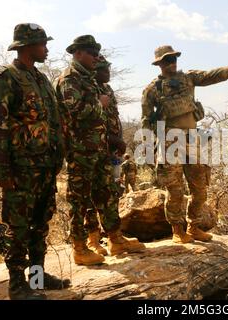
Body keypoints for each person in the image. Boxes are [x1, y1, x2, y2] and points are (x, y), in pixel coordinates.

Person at [141, 45, 228, 244]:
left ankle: (194, 227)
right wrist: (148, 151)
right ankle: (178, 231)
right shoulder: (151, 90)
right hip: (170, 142)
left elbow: (213, 75)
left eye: (173, 58)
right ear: (159, 64)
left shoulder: (188, 78)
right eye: (166, 60)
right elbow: (145, 121)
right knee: (175, 191)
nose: (171, 62)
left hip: (192, 140)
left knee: (200, 188)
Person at [0, 23, 70, 300]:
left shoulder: (42, 79)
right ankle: (17, 285)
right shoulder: (6, 78)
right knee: (19, 227)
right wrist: (2, 169)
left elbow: (54, 121)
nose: (46, 49)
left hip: (45, 167)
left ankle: (36, 279)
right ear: (26, 46)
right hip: (20, 169)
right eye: (42, 44)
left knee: (40, 225)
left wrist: (59, 155)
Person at [54, 36, 145, 265]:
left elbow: (102, 117)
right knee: (79, 200)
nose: (96, 57)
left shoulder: (90, 80)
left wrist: (112, 139)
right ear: (77, 53)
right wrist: (99, 104)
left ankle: (115, 239)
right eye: (92, 53)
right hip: (80, 151)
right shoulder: (69, 79)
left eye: (97, 53)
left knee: (107, 194)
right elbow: (74, 111)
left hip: (100, 150)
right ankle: (80, 248)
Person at [83, 55, 127, 256]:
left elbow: (113, 118)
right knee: (91, 196)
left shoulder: (108, 89)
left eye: (108, 67)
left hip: (111, 150)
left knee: (112, 192)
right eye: (103, 68)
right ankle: (93, 239)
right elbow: (92, 121)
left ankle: (114, 237)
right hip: (93, 149)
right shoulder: (91, 90)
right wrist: (110, 138)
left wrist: (118, 140)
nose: (108, 71)